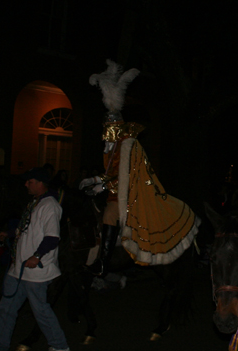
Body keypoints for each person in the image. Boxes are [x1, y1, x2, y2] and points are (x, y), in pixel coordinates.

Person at [81, 60, 199, 268]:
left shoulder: (128, 145)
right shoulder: (109, 148)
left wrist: (103, 185)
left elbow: (128, 175)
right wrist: (94, 179)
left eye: (109, 126)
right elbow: (111, 171)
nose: (105, 130)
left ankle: (103, 261)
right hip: (113, 191)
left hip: (130, 194)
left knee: (109, 213)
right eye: (105, 125)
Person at [0, 167, 70, 351]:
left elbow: (52, 237)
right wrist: (9, 234)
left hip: (35, 270)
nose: (26, 184)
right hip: (18, 269)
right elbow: (27, 227)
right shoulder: (34, 203)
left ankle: (60, 346)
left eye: (30, 181)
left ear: (41, 183)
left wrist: (37, 256)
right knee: (6, 309)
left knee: (41, 310)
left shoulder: (50, 206)